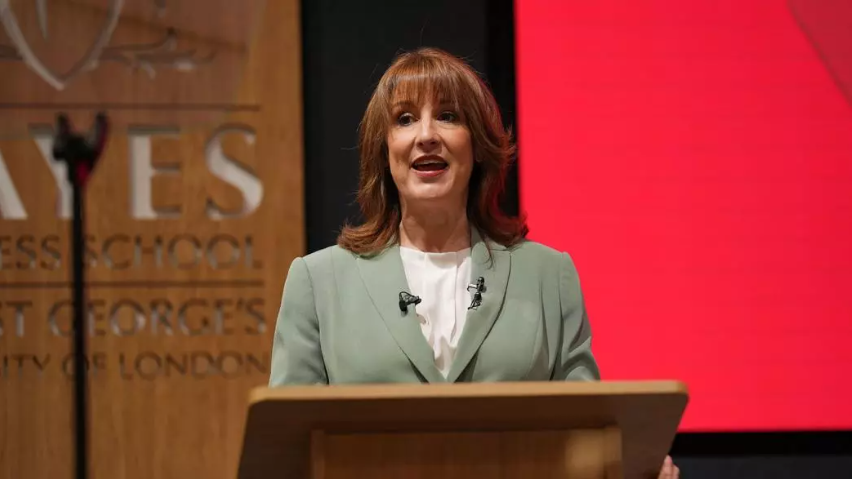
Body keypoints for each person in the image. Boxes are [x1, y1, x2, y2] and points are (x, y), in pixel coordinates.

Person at [269, 47, 679, 479]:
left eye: (448, 116)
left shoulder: (547, 276)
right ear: (383, 149)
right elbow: (288, 454)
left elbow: (587, 442)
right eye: (405, 119)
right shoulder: (318, 282)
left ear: (478, 146)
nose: (426, 135)